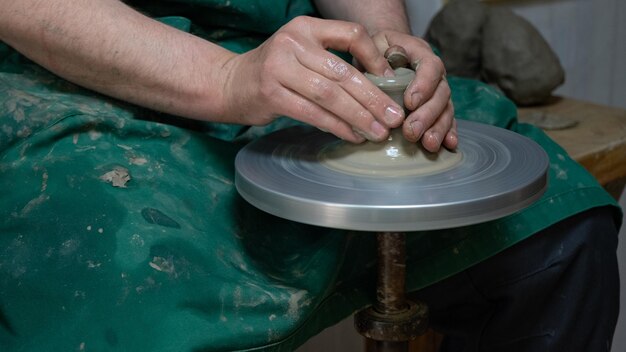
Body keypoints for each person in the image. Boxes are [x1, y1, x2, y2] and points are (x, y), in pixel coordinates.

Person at [0, 0, 620, 351]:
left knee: (561, 230)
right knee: (128, 288)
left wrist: (387, 44)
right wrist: (226, 81)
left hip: (288, 46)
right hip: (72, 68)